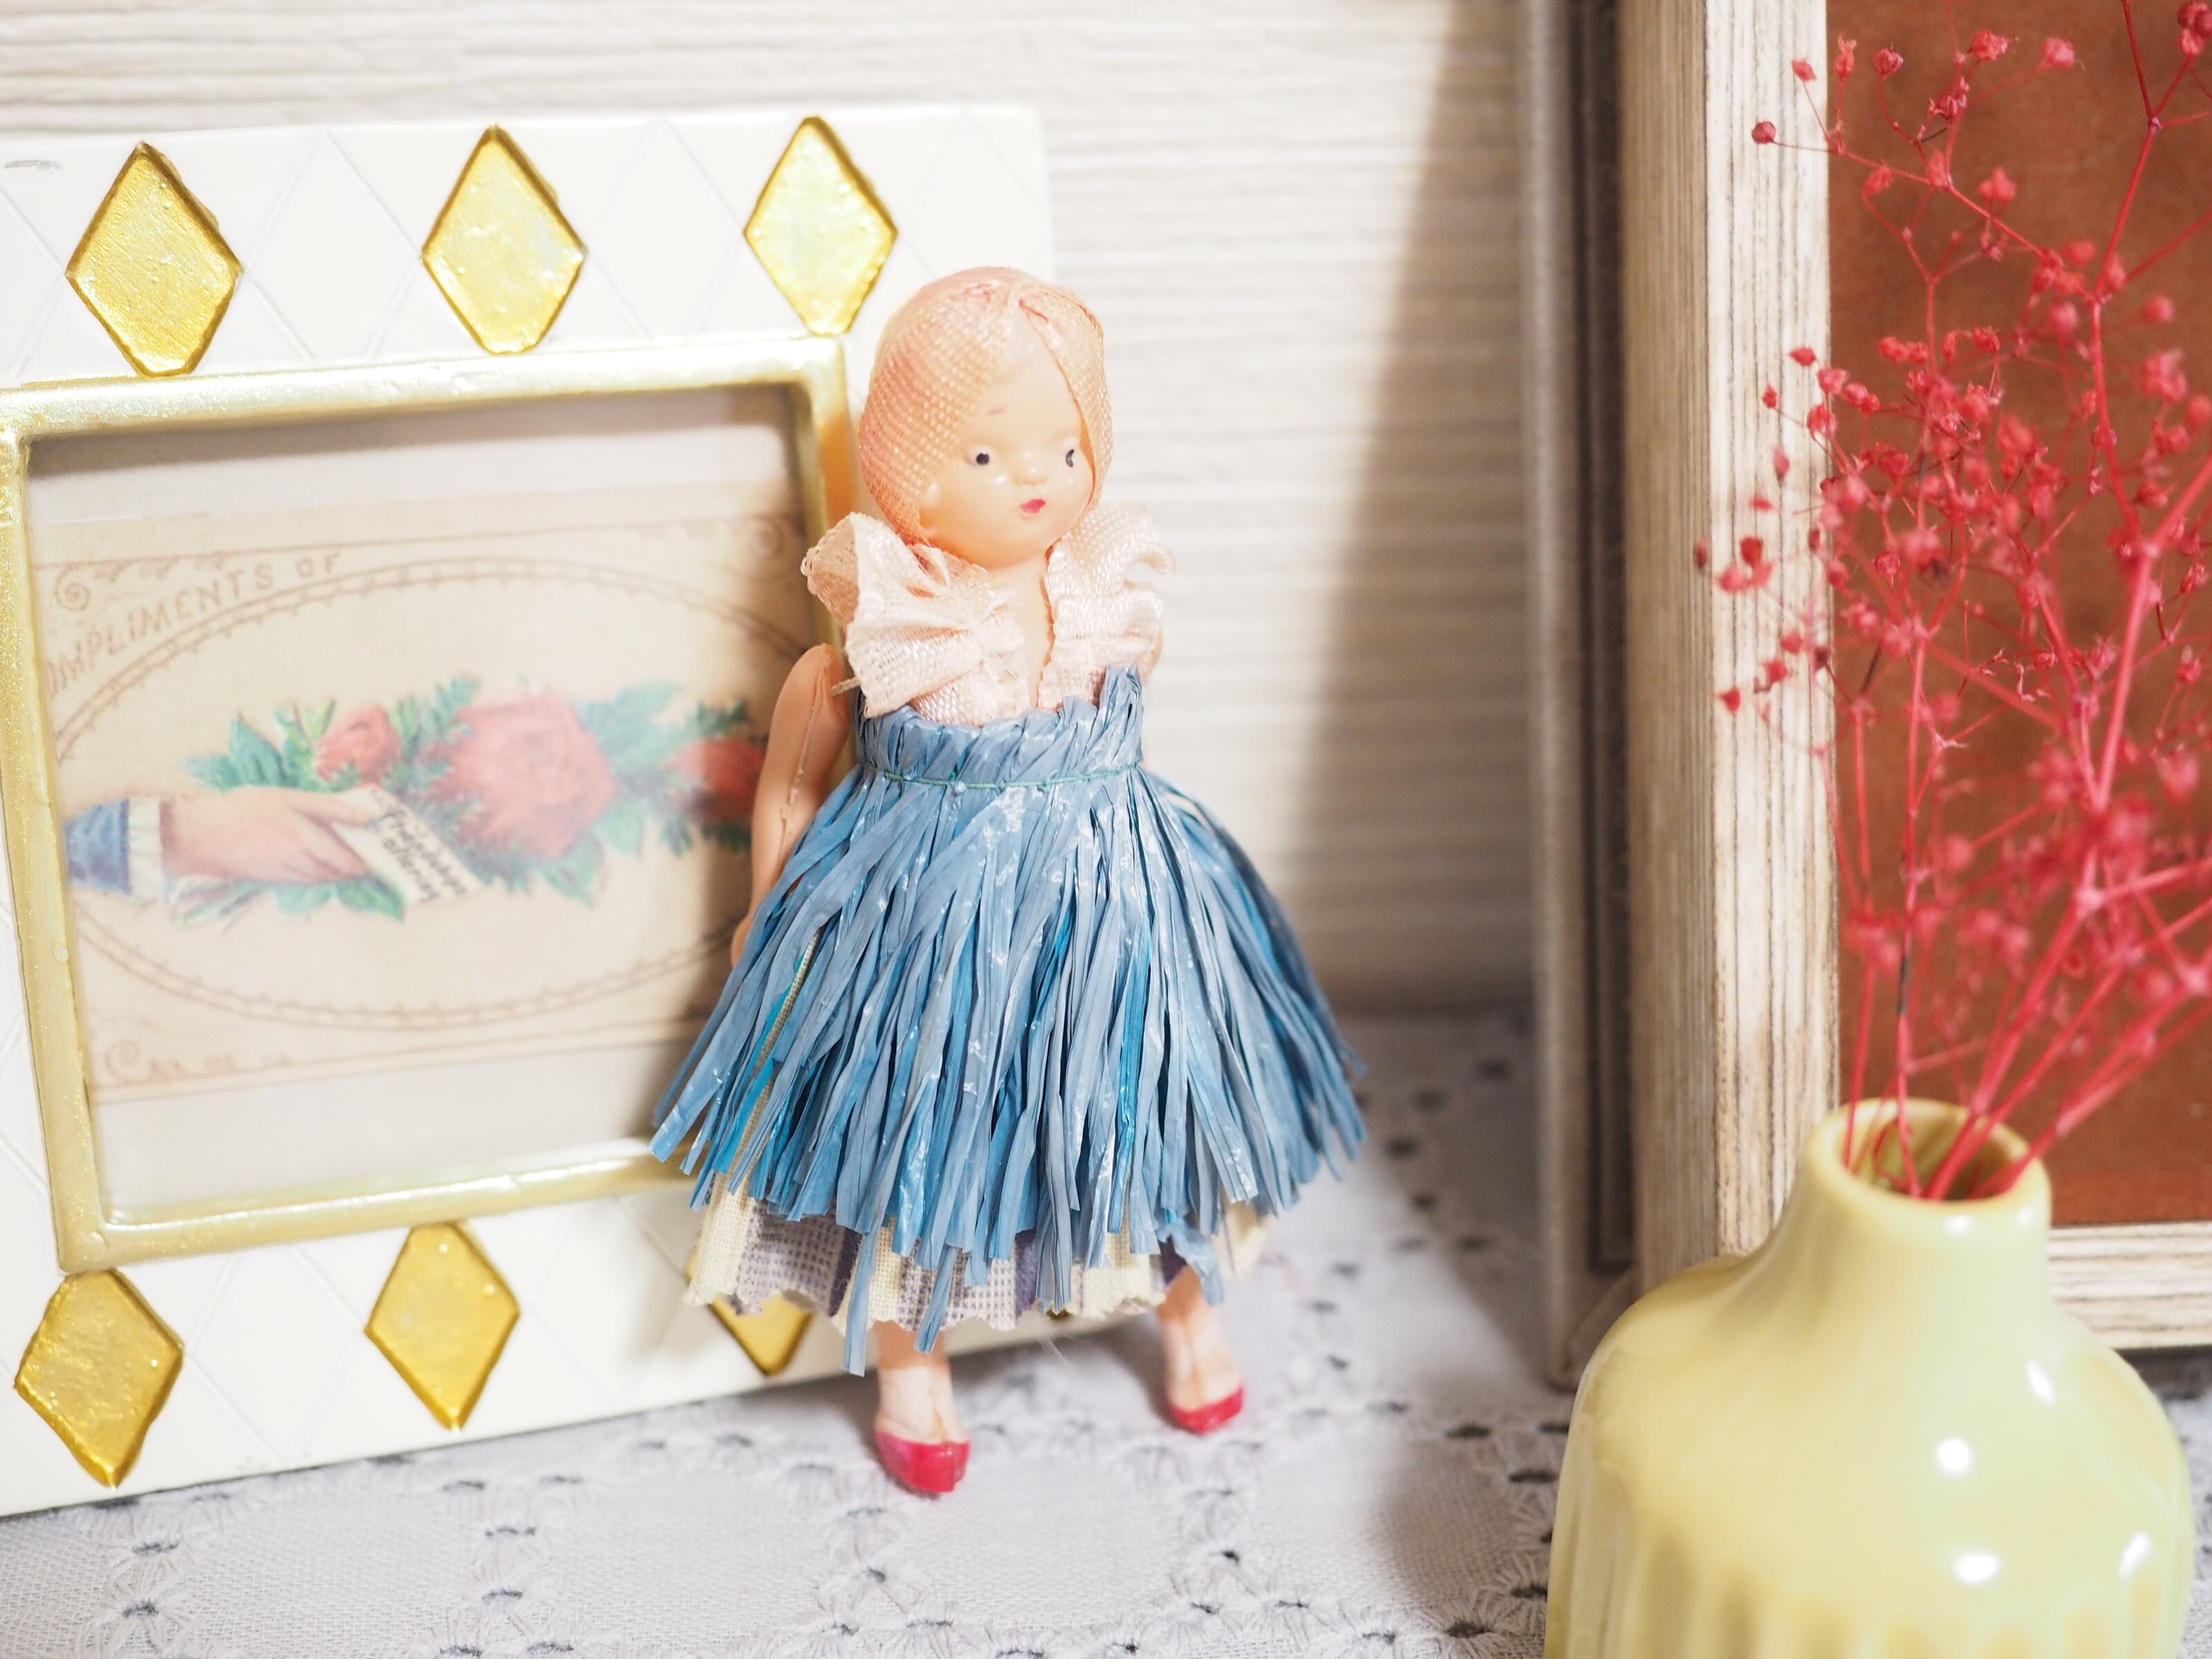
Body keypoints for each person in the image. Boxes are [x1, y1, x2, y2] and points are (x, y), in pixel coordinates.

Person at [652, 269, 1362, 1494]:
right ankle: (909, 1360)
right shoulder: (888, 631)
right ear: (908, 470)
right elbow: (791, 785)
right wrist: (772, 909)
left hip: (1114, 910)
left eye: (1066, 447)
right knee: (916, 1128)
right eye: (987, 454)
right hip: (929, 918)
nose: (1037, 478)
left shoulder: (1102, 597)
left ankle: (1188, 1313)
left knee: (1143, 1112)